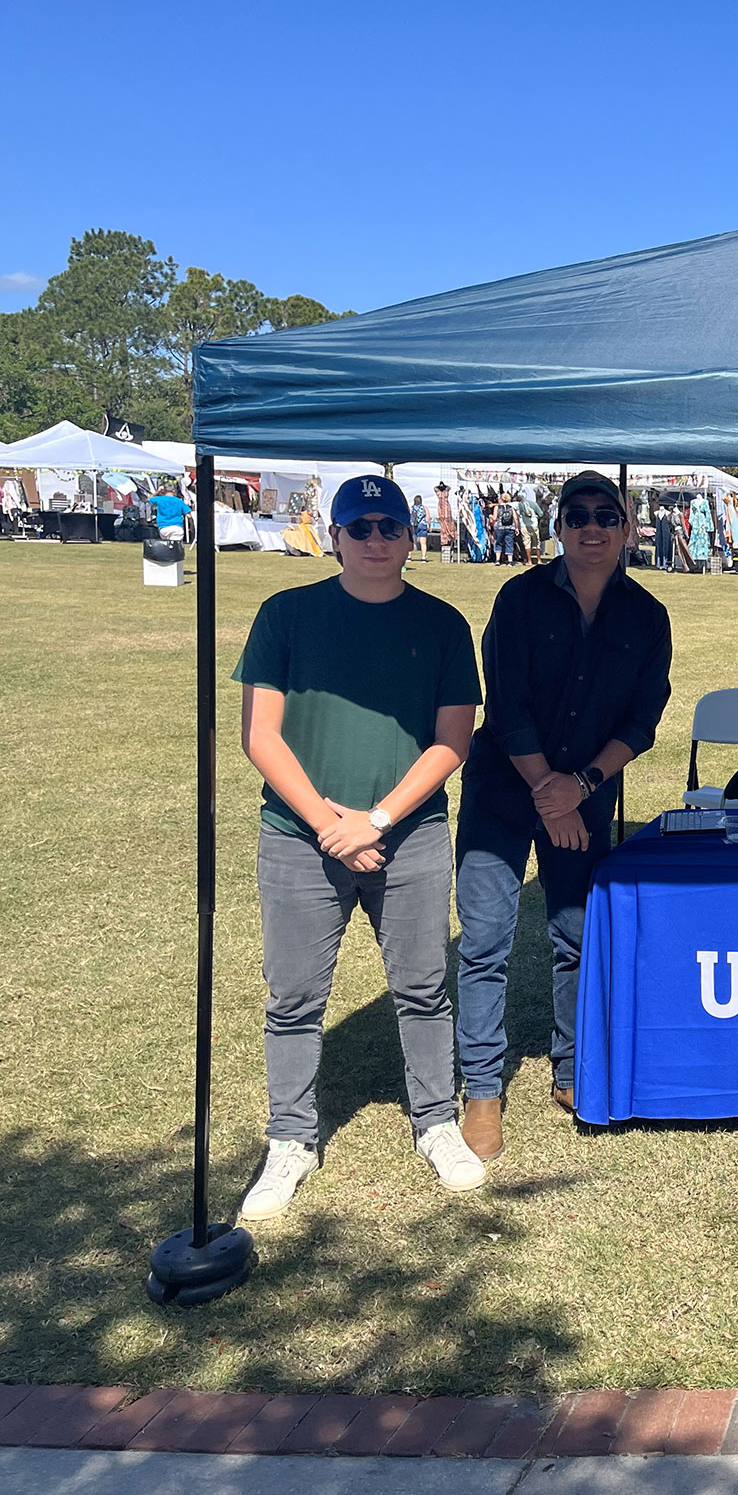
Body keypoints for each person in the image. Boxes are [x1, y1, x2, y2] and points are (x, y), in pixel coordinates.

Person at [233, 475, 486, 1220]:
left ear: (412, 537)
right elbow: (261, 735)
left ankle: (436, 1121)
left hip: (407, 834)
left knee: (422, 987)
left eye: (390, 527)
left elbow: (453, 741)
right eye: (361, 526)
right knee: (295, 997)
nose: (376, 540)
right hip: (298, 836)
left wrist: (373, 821)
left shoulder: (442, 623)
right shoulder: (286, 615)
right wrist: (328, 825)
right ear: (334, 535)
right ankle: (291, 1139)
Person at [453, 471, 672, 1154]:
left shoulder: (648, 616)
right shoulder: (518, 599)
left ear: (627, 527)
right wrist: (549, 788)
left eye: (606, 515)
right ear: (557, 527)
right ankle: (482, 1090)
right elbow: (506, 703)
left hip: (584, 789)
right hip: (505, 784)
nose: (592, 527)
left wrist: (578, 784)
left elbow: (643, 721)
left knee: (576, 935)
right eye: (576, 515)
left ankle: (573, 1067)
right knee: (485, 939)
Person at [435, 483, 458, 564]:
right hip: (441, 507)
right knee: (443, 524)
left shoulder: (446, 490)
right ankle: (445, 543)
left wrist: (444, 487)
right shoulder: (437, 491)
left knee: (449, 522)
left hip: (446, 507)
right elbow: (435, 488)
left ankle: (451, 537)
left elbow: (449, 487)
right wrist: (440, 488)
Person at [494, 493, 518, 566]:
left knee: (498, 543)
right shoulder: (512, 507)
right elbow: (515, 518)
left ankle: (497, 560)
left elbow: (495, 518)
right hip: (510, 527)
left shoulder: (497, 507)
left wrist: (490, 516)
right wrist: (517, 528)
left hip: (499, 527)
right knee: (509, 543)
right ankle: (510, 561)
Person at [410, 486, 431, 562]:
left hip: (414, 525)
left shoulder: (412, 508)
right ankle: (423, 558)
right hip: (422, 525)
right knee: (423, 543)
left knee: (412, 541)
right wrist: (429, 526)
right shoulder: (424, 508)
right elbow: (428, 517)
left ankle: (409, 557)